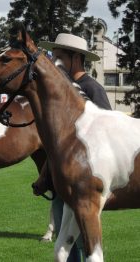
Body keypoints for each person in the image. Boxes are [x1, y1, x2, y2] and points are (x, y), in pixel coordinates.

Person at [39, 33, 112, 262]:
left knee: (82, 241)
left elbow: (107, 130)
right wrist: (45, 173)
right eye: (53, 56)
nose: (54, 61)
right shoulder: (56, 91)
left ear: (76, 59)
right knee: (64, 236)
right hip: (61, 178)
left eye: (59, 57)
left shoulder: (92, 88)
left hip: (83, 181)